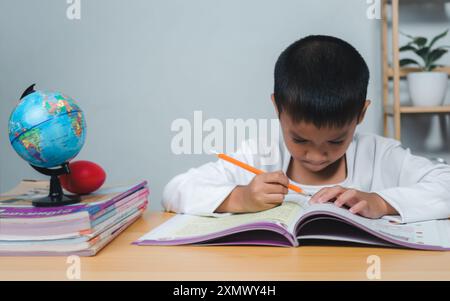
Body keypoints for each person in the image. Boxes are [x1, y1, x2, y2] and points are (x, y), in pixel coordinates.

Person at [163, 35, 450, 223]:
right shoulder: (259, 155)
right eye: (299, 139)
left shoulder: (380, 156)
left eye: (336, 141)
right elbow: (174, 191)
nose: (315, 156)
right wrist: (240, 197)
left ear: (361, 114)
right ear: (277, 107)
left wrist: (381, 201)